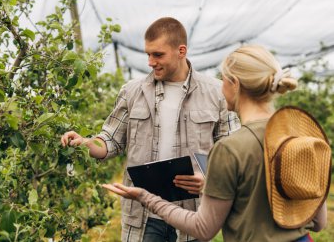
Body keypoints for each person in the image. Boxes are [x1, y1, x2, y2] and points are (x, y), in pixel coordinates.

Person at [103, 44, 331, 242]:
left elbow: (203, 229)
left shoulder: (230, 149)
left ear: (235, 84)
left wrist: (145, 197)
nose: (221, 87)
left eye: (223, 80)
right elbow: (319, 223)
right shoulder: (301, 138)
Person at [61, 17, 240, 242]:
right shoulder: (132, 92)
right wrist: (86, 143)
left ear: (181, 51)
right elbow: (111, 140)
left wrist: (209, 178)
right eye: (148, 54)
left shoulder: (216, 93)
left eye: (158, 54)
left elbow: (232, 153)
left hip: (192, 215)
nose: (150, 62)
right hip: (145, 216)